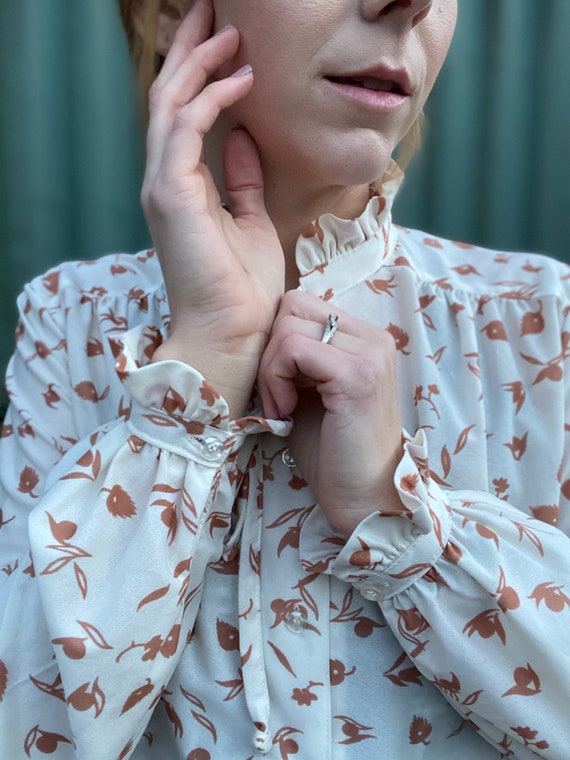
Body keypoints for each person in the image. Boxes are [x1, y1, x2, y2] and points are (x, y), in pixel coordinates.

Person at [0, 0, 569, 757]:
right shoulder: (69, 323)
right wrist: (200, 369)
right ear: (174, 12)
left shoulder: (538, 323)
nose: (410, 2)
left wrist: (396, 513)